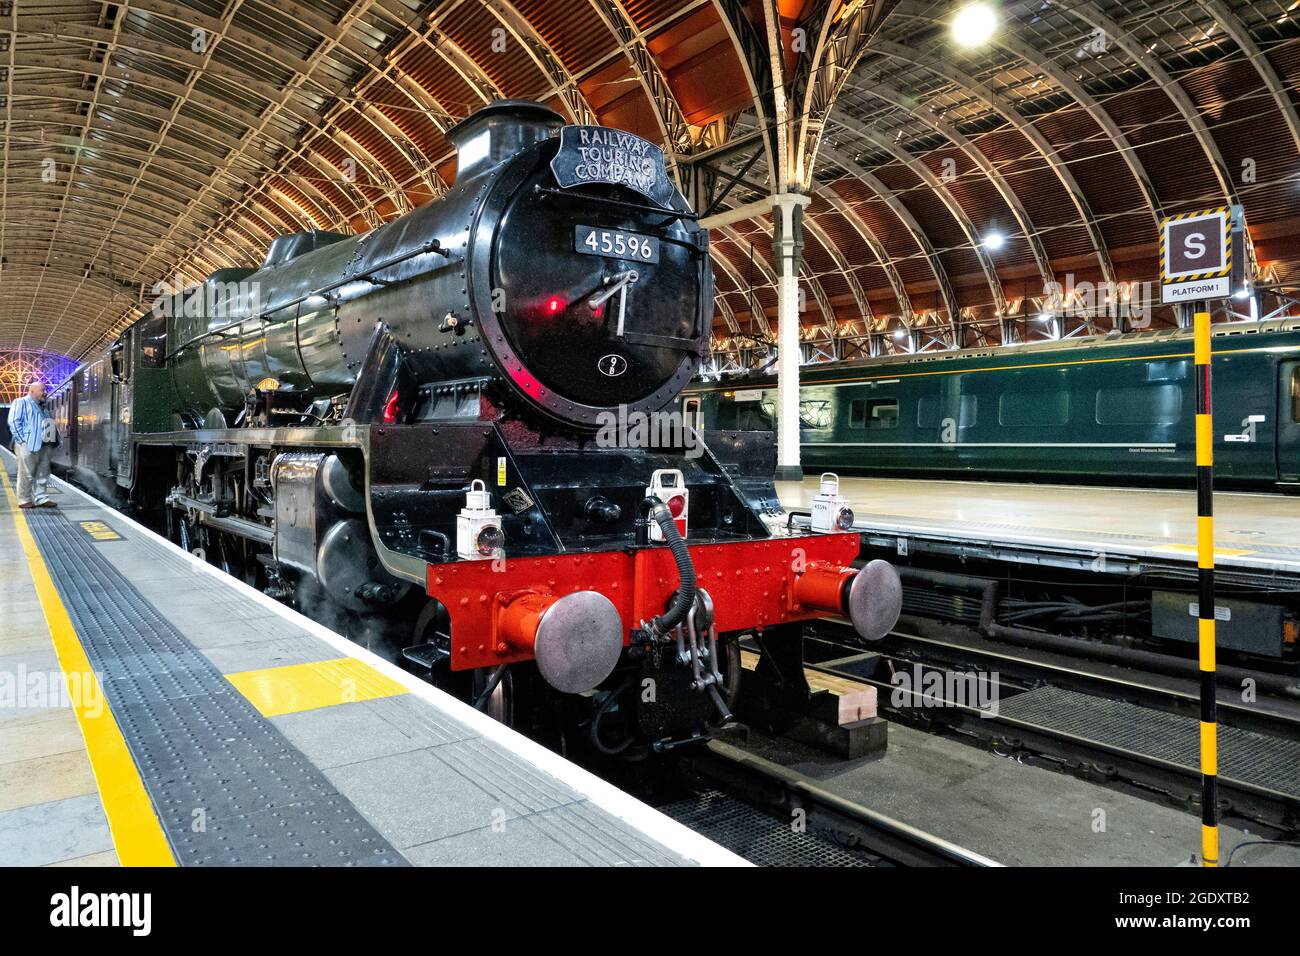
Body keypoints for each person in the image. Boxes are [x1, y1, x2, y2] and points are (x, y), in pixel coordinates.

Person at [8, 380, 58, 509]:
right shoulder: (21, 402)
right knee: (27, 473)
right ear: (32, 391)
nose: (45, 393)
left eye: (45, 390)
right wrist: (22, 441)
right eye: (42, 390)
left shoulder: (43, 407)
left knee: (43, 473)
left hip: (45, 445)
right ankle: (24, 499)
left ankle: (41, 498)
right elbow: (13, 421)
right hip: (28, 444)